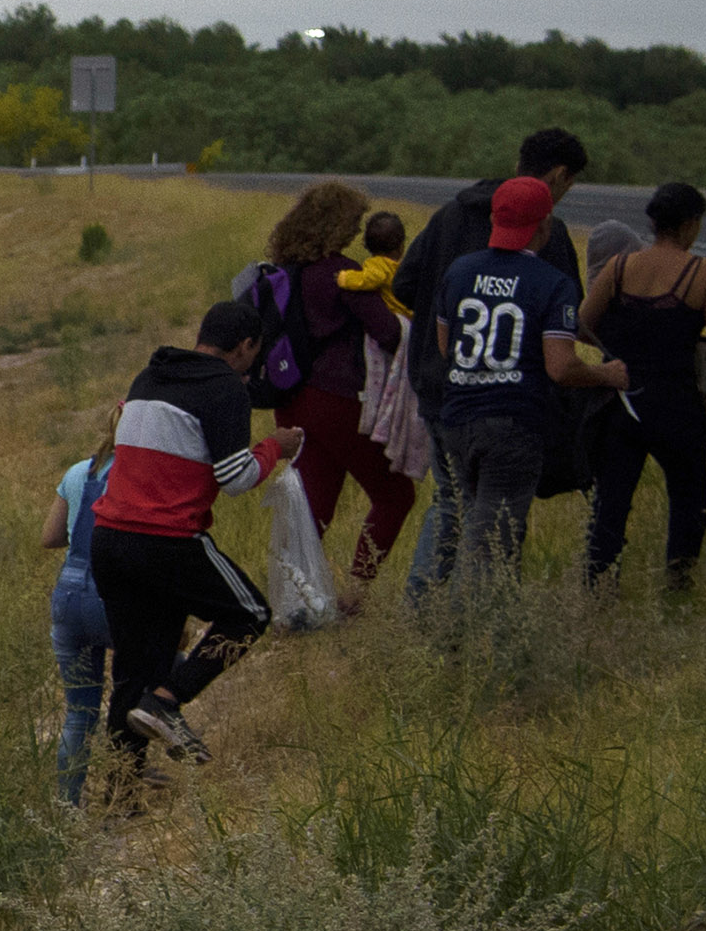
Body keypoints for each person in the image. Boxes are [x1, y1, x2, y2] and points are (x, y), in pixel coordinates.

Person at [90, 302, 303, 768]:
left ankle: (120, 797)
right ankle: (167, 701)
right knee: (249, 613)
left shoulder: (149, 376)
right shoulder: (225, 386)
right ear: (245, 347)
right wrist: (274, 447)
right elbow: (235, 477)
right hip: (165, 538)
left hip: (108, 539)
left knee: (134, 669)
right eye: (255, 353)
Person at [393, 131, 591, 592]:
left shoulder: (448, 216)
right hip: (507, 399)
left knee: (450, 501)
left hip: (440, 386)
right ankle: (477, 611)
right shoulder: (548, 232)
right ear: (560, 175)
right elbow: (565, 316)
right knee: (496, 514)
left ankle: (423, 603)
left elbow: (405, 285)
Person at [426, 173, 629, 587]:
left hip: (457, 419)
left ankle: (495, 629)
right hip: (512, 425)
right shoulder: (551, 284)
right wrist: (606, 373)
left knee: (484, 525)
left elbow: (446, 346)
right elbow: (560, 367)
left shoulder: (461, 271)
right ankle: (458, 632)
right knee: (489, 542)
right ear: (544, 225)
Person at [247, 181, 415, 589]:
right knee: (395, 495)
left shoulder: (282, 274)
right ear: (337, 226)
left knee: (314, 507)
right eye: (353, 224)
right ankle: (356, 592)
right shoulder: (343, 274)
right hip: (338, 401)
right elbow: (388, 332)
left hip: (290, 400)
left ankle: (294, 599)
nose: (357, 234)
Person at [582, 181, 706, 591]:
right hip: (677, 403)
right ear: (692, 224)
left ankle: (599, 585)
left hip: (622, 401)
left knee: (612, 503)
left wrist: (614, 349)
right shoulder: (704, 273)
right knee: (689, 499)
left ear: (652, 223)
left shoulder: (619, 267)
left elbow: (582, 322)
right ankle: (678, 581)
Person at [39, 423, 116, 803]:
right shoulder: (136, 475)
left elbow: (49, 537)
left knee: (79, 712)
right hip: (111, 595)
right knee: (151, 673)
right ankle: (127, 781)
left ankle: (68, 804)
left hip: (68, 595)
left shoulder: (77, 472)